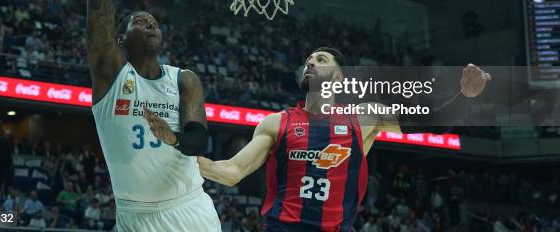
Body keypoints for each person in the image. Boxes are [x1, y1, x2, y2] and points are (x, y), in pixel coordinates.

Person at [198, 47, 490, 231]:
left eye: (321, 59)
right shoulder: (276, 123)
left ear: (338, 79)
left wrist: (465, 98)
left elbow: (433, 126)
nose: (311, 62)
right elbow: (232, 172)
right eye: (309, 59)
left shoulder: (364, 117)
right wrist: (177, 154)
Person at [87, 0, 220, 232]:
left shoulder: (184, 79)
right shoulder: (110, 76)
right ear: (120, 39)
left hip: (188, 207)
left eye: (154, 22)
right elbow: (98, 5)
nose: (150, 24)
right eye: (140, 21)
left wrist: (172, 137)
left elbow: (199, 142)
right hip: (134, 217)